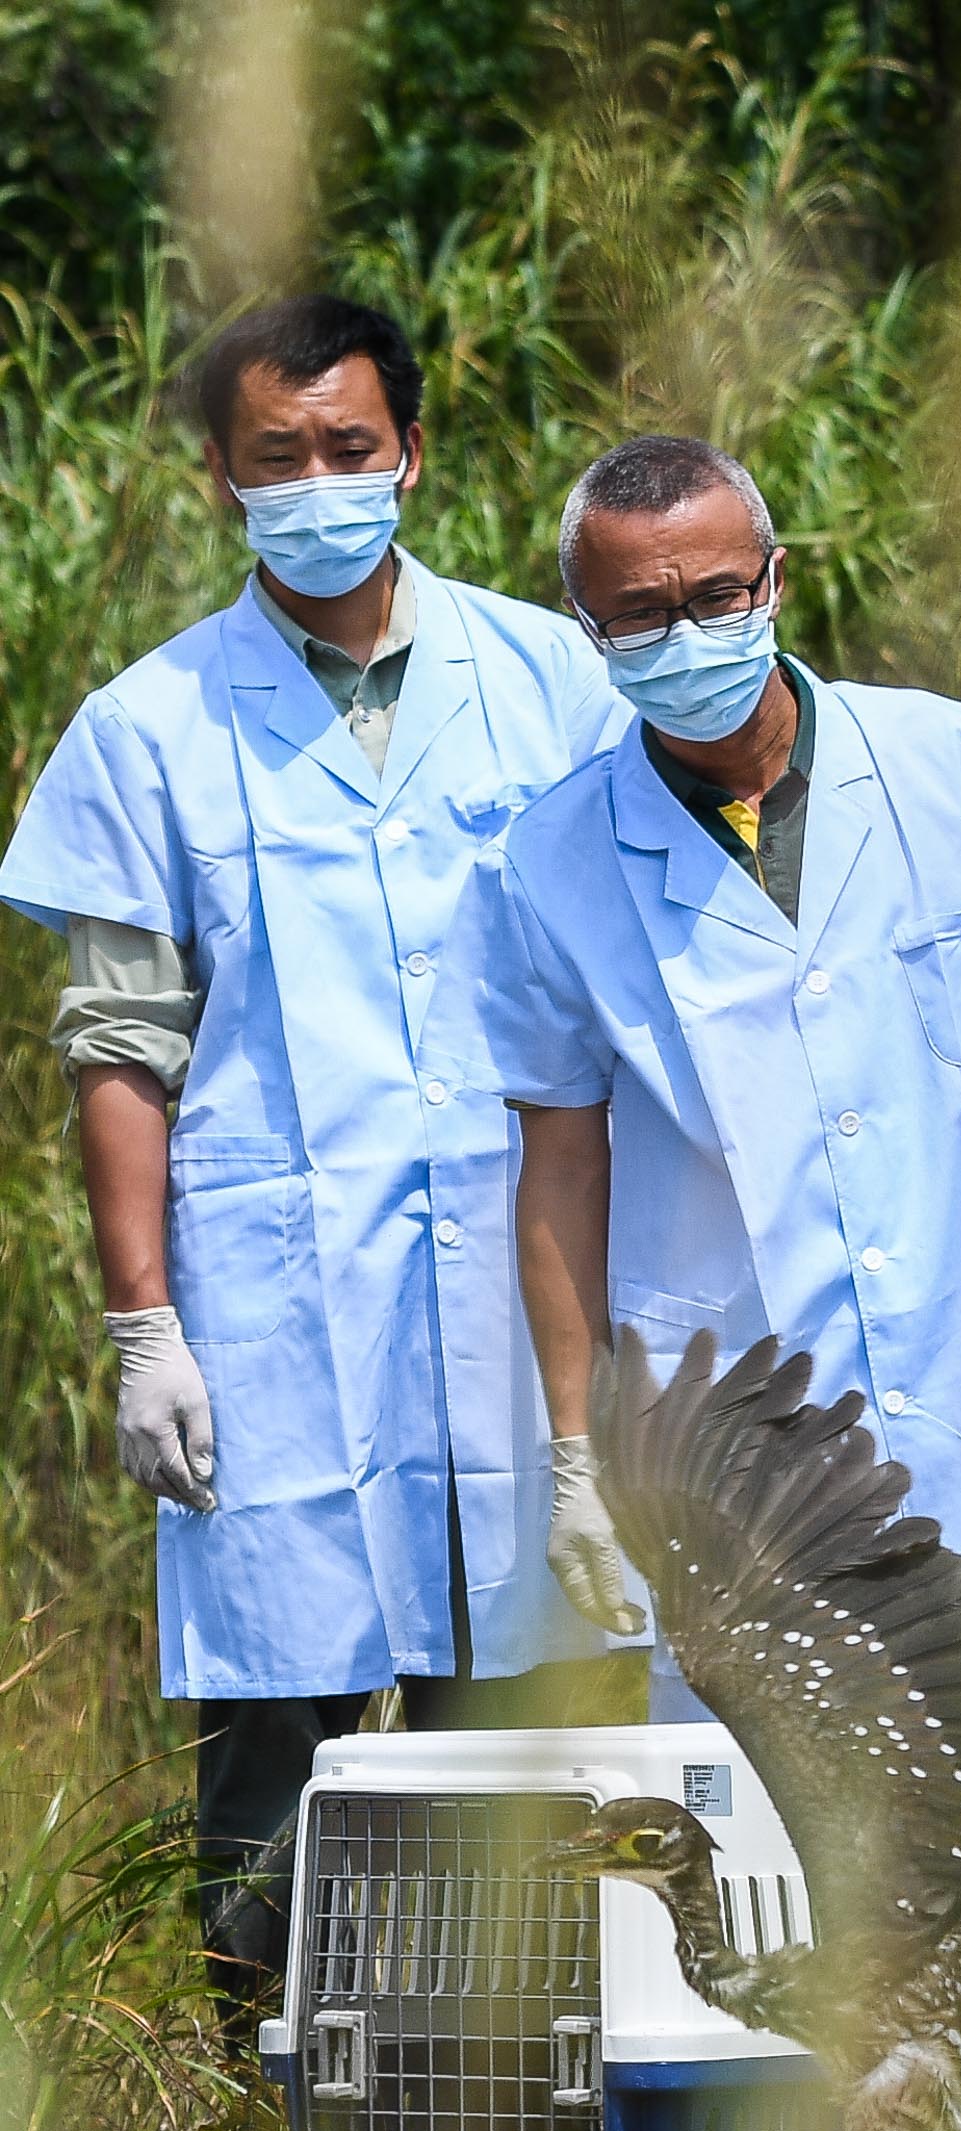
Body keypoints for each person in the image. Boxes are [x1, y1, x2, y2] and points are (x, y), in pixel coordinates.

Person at [0, 292, 630, 2008]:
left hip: (528, 1276)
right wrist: (146, 1327)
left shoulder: (548, 679)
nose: (319, 483)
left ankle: (519, 2115)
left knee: (520, 1713)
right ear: (222, 477)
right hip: (275, 1295)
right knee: (275, 1743)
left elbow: (639, 977)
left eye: (350, 449)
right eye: (277, 457)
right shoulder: (154, 724)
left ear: (409, 455)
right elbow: (122, 1043)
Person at [450, 432, 961, 1725]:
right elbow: (561, 1161)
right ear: (588, 630)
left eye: (715, 596)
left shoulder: (951, 765)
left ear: (774, 579)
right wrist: (575, 1454)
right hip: (741, 1392)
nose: (686, 634)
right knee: (783, 1802)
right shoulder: (550, 862)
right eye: (640, 615)